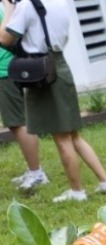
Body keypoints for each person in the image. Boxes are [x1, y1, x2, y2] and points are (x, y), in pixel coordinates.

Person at [0, 0, 106, 203]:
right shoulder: (61, 2)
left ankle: (77, 191)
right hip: (60, 64)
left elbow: (4, 38)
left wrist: (9, 7)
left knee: (62, 138)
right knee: (73, 135)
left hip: (41, 68)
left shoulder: (26, 6)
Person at [0, 2, 45, 192]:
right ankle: (33, 170)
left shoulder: (5, 6)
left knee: (17, 123)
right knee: (15, 122)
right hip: (8, 69)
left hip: (4, 71)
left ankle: (36, 173)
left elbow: (5, 36)